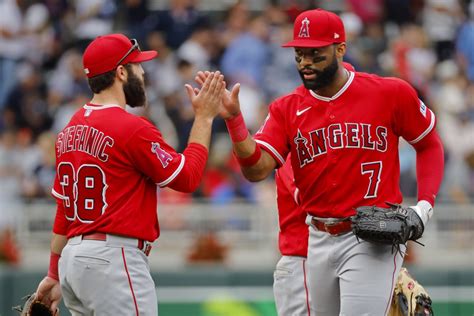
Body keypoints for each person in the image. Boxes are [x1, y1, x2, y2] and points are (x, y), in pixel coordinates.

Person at [199, 9, 444, 315]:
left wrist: (424, 206)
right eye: (300, 54)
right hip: (317, 239)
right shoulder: (286, 109)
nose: (305, 62)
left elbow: (429, 143)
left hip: (370, 237)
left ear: (340, 48)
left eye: (315, 53)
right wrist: (235, 121)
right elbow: (256, 169)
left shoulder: (388, 93)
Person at [33, 33, 224, 315]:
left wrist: (53, 271)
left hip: (73, 261)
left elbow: (64, 210)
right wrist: (205, 118)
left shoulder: (68, 130)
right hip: (113, 260)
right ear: (121, 72)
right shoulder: (132, 128)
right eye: (137, 65)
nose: (143, 71)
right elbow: (187, 177)